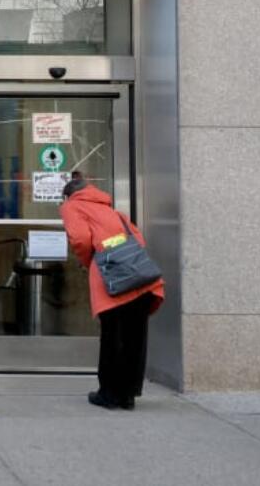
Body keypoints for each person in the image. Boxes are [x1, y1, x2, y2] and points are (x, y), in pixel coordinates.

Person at [60, 176, 165, 411]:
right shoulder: (112, 211)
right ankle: (128, 396)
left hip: (113, 282)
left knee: (112, 337)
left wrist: (91, 262)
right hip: (142, 280)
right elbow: (137, 238)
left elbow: (80, 238)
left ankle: (108, 394)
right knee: (134, 339)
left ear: (69, 195)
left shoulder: (72, 206)